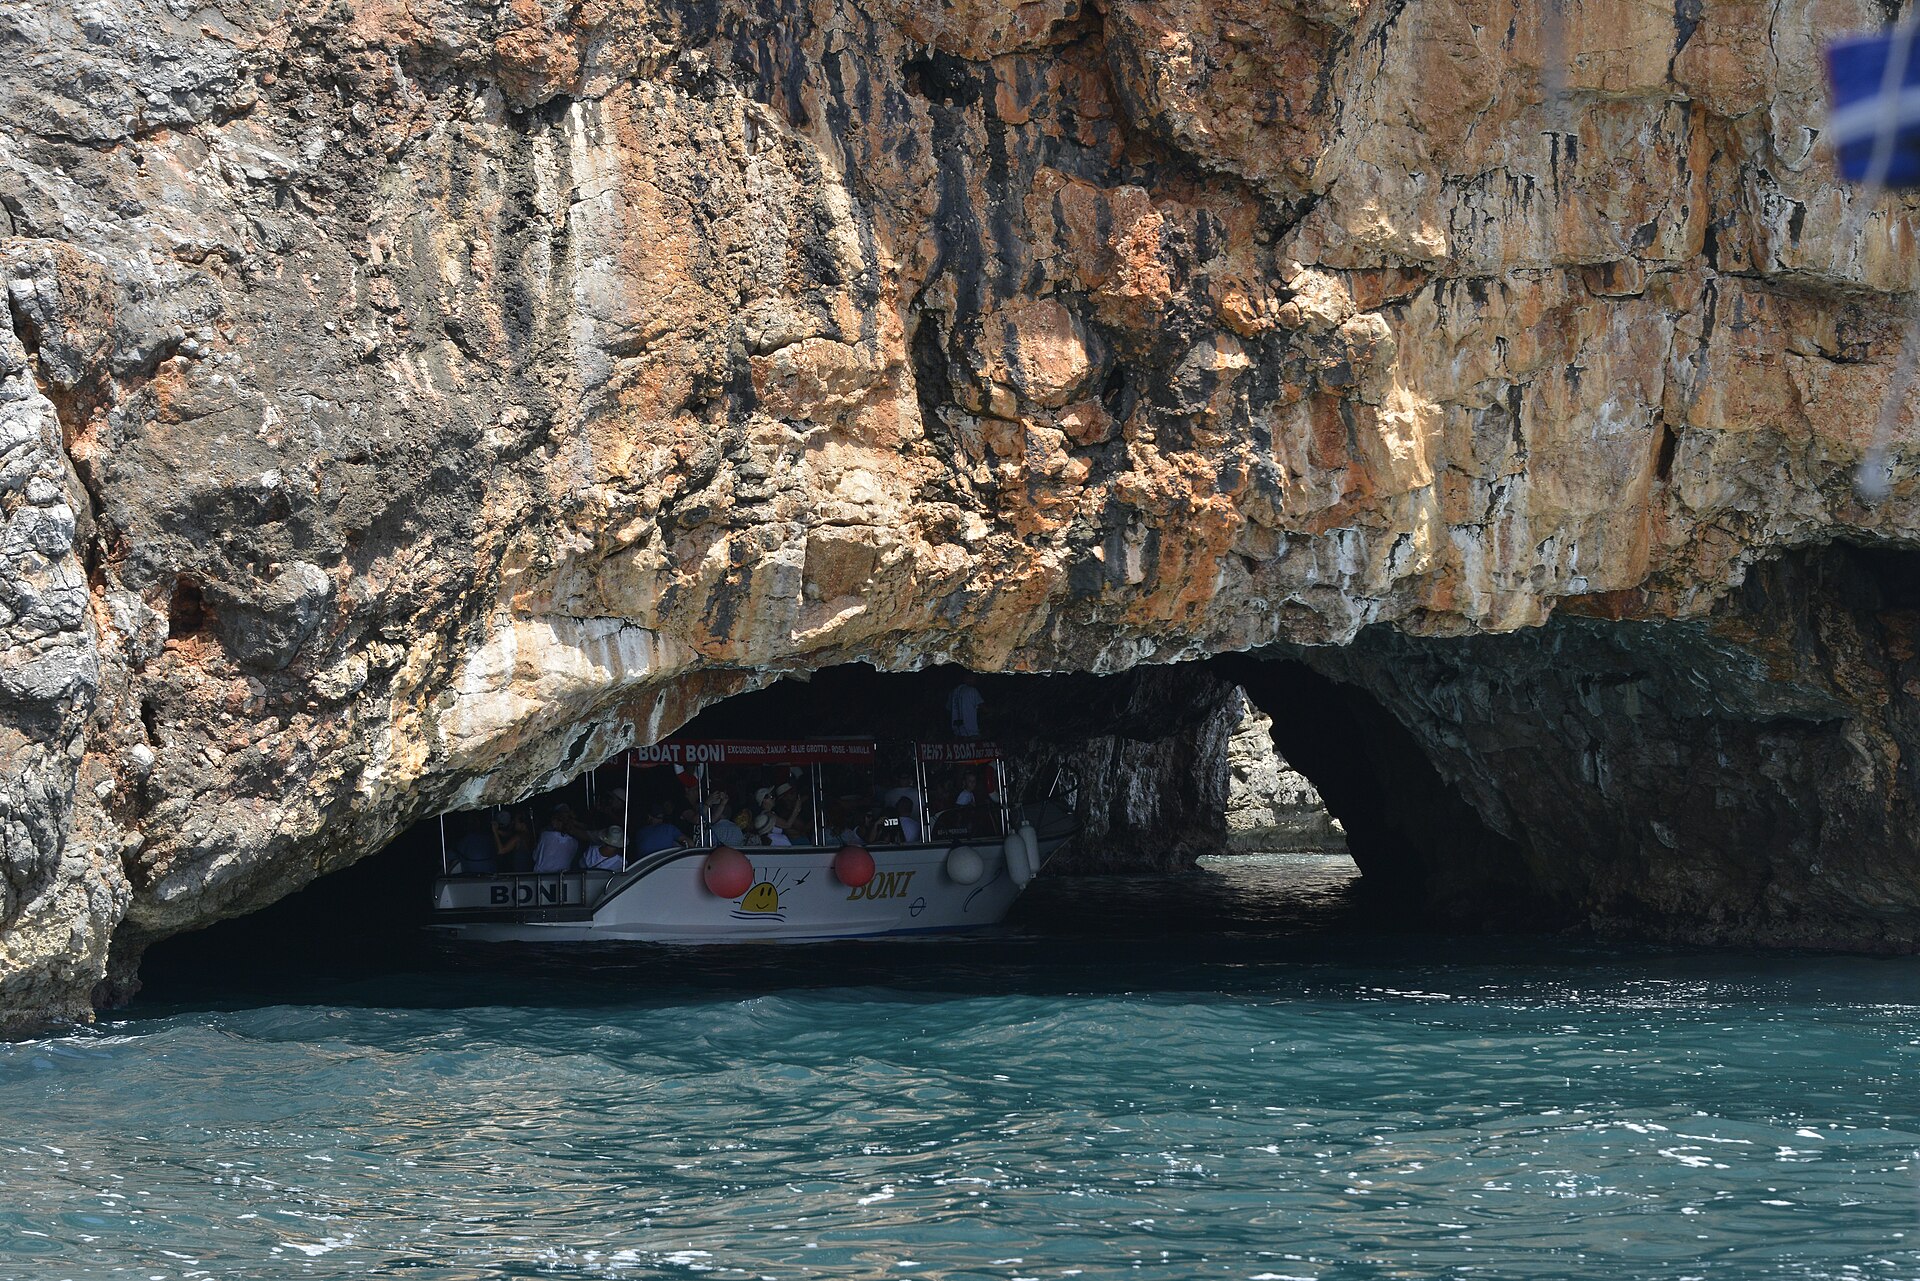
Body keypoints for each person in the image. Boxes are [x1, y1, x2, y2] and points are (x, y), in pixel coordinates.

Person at [531, 805, 582, 873]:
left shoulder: (545, 835)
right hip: (563, 879)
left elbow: (534, 857)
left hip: (541, 878)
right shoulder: (575, 843)